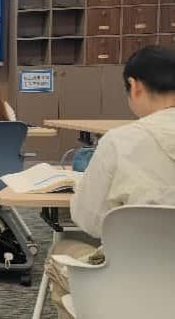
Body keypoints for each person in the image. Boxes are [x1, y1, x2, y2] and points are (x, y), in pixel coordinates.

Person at [46, 46, 175, 319]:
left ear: (135, 86)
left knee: (61, 250)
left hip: (132, 284)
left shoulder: (120, 141)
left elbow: (89, 221)